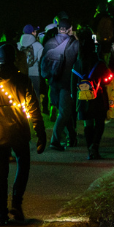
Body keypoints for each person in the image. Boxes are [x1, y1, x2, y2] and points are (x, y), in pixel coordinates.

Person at [0, 43, 46, 224]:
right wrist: (40, 131)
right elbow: (33, 107)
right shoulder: (22, 80)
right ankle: (16, 204)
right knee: (23, 164)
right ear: (14, 58)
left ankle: (1, 213)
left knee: (1, 170)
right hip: (18, 128)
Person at [42, 16, 81, 149]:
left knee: (65, 111)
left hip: (53, 82)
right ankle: (55, 140)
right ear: (70, 29)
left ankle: (72, 136)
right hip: (67, 83)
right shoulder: (74, 44)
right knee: (65, 112)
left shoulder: (50, 42)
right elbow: (79, 62)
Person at [78, 48, 112, 160]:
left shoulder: (78, 63)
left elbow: (73, 81)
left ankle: (89, 150)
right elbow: (107, 79)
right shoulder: (100, 63)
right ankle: (95, 146)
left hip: (83, 98)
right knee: (99, 122)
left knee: (88, 124)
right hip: (98, 97)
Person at [17, 25, 45, 111]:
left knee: (22, 94)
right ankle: (36, 112)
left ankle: (23, 112)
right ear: (33, 32)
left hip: (21, 73)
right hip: (35, 74)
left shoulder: (18, 45)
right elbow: (42, 60)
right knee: (35, 93)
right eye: (35, 31)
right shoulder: (38, 45)